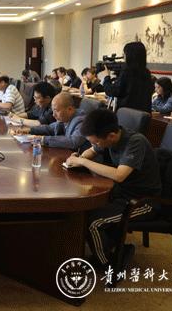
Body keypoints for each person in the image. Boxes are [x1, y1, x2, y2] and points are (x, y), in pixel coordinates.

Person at [66, 109, 161, 269]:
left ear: (111, 136)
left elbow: (119, 175)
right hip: (120, 192)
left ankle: (107, 264)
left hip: (143, 201)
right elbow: (92, 151)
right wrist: (78, 158)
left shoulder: (135, 142)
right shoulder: (109, 136)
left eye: (96, 142)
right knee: (82, 210)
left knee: (93, 222)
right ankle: (111, 246)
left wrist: (83, 162)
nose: (95, 145)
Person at [12, 92, 86, 150]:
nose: (53, 115)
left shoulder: (81, 121)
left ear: (70, 109)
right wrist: (29, 130)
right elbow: (50, 128)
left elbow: (73, 142)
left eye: (56, 111)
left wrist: (43, 139)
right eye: (53, 111)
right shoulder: (65, 118)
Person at [100, 41, 154, 112]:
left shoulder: (127, 71)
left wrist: (107, 77)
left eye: (124, 54)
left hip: (127, 113)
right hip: (143, 114)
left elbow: (114, 91)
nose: (123, 56)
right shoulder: (147, 73)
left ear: (130, 55)